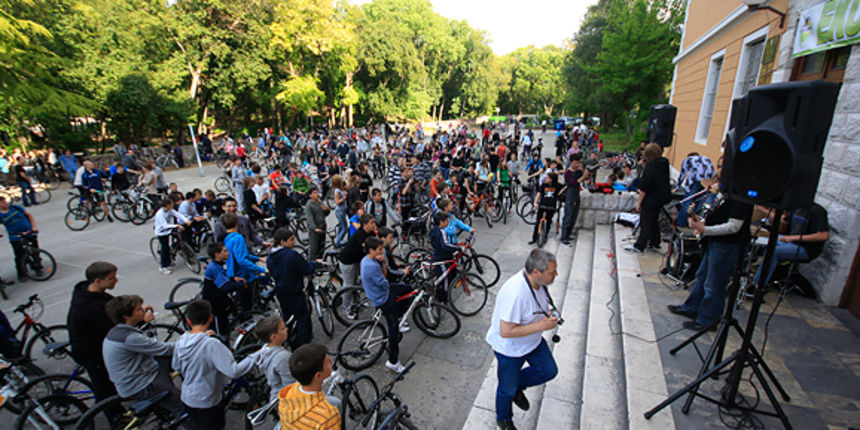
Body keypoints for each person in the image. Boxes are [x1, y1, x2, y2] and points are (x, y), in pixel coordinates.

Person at [486, 249, 560, 430]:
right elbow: (506, 331)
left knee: (548, 370)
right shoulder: (516, 293)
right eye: (552, 272)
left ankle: (516, 385)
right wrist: (542, 326)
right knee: (506, 389)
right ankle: (503, 419)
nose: (556, 274)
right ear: (536, 272)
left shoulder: (537, 282)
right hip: (510, 349)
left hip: (532, 341)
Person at [668, 190, 752, 331]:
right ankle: (691, 308)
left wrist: (705, 229)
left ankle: (708, 320)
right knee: (702, 276)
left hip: (727, 245)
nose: (719, 172)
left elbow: (734, 226)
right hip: (714, 242)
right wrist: (701, 224)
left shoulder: (740, 196)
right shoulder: (723, 193)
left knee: (714, 283)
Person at [173, 300, 259, 430]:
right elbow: (233, 371)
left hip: (187, 397)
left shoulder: (181, 341)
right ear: (211, 318)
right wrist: (255, 356)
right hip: (207, 400)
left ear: (188, 321)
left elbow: (176, 366)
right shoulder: (211, 345)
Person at [102, 295, 187, 421]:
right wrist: (193, 342)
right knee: (184, 409)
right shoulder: (130, 338)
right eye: (138, 309)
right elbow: (164, 349)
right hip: (142, 384)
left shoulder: (117, 331)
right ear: (126, 316)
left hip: (131, 378)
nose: (143, 310)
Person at [67, 262, 120, 405]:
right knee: (104, 387)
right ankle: (114, 415)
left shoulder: (93, 294)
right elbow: (113, 328)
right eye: (111, 278)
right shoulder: (91, 306)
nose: (116, 280)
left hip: (97, 347)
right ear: (98, 281)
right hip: (92, 353)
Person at [361, 236, 413, 373]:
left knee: (408, 289)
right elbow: (384, 281)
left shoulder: (368, 259)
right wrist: (384, 266)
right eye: (379, 250)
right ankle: (393, 361)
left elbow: (384, 278)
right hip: (381, 297)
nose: (381, 252)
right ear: (371, 250)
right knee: (393, 329)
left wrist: (383, 263)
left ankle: (400, 315)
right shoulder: (371, 266)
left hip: (383, 289)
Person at [753, 204, 830, 286]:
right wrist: (762, 209)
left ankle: (757, 285)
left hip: (806, 248)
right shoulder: (797, 207)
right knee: (761, 239)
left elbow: (823, 235)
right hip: (791, 241)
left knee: (773, 251)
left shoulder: (818, 211)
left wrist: (792, 238)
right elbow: (783, 219)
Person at [268, 228, 319, 348]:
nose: (294, 242)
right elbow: (306, 269)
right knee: (303, 318)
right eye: (291, 240)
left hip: (281, 291)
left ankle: (291, 339)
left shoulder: (271, 255)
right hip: (294, 291)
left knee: (288, 318)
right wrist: (316, 263)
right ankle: (304, 345)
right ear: (282, 242)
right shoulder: (291, 255)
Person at [278, 344, 341, 430]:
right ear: (318, 375)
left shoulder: (288, 393)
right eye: (327, 362)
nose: (331, 361)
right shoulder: (327, 416)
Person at [626, 143, 671, 253]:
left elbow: (643, 188)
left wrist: (638, 204)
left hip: (651, 199)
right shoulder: (664, 164)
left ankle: (639, 245)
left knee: (645, 222)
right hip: (661, 197)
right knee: (654, 220)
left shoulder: (649, 168)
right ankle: (655, 242)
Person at [202, 242, 248, 334]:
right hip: (215, 303)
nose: (228, 253)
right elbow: (225, 286)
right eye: (225, 251)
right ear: (217, 255)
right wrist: (241, 285)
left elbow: (224, 276)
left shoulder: (218, 264)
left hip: (220, 298)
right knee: (219, 328)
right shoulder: (214, 268)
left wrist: (233, 278)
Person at [338, 214, 377, 318]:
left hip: (356, 260)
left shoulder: (370, 232)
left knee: (355, 282)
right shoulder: (360, 234)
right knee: (349, 285)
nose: (374, 225)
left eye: (374, 222)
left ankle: (356, 301)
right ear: (365, 225)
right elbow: (369, 247)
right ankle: (346, 308)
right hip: (347, 261)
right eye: (372, 223)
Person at [252, 315, 296, 402]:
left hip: (275, 394)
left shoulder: (265, 349)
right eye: (283, 329)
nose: (286, 329)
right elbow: (290, 384)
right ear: (273, 337)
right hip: (285, 400)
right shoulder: (282, 357)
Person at [222, 213, 267, 294]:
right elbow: (242, 260)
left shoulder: (227, 238)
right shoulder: (238, 238)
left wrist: (258, 258)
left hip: (233, 273)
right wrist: (261, 269)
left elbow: (238, 255)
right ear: (237, 223)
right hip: (243, 275)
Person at [0, 196, 39, 282]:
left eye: (5, 201)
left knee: (35, 251)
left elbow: (29, 216)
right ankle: (22, 273)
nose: (5, 203)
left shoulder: (15, 208)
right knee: (19, 255)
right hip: (15, 236)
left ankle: (37, 267)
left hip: (28, 232)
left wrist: (34, 227)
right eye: (2, 202)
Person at [153, 198, 191, 274]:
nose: (173, 205)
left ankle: (174, 251)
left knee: (180, 238)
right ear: (168, 205)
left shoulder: (170, 210)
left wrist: (186, 220)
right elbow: (164, 225)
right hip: (162, 232)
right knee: (165, 248)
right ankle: (163, 266)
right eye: (171, 203)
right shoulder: (160, 214)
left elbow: (178, 215)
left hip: (170, 229)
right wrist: (176, 225)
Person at [529, 172, 560, 245]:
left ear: (552, 179)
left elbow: (565, 187)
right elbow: (538, 194)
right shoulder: (543, 185)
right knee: (538, 222)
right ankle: (534, 238)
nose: (546, 178)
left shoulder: (557, 186)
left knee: (548, 221)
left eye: (547, 178)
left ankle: (545, 236)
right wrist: (535, 203)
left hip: (551, 206)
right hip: (542, 205)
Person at [560, 154, 583, 245]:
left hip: (577, 196)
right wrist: (582, 177)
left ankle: (568, 234)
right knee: (568, 217)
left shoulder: (579, 172)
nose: (577, 164)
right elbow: (573, 182)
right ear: (571, 162)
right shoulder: (568, 173)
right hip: (570, 196)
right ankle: (564, 236)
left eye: (578, 163)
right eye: (575, 162)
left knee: (574, 217)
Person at [304, 187, 329, 260]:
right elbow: (309, 218)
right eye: (314, 193)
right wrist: (314, 228)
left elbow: (325, 214)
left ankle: (319, 261)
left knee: (322, 246)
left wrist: (327, 210)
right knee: (314, 248)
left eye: (317, 192)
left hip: (322, 227)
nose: (316, 194)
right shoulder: (309, 205)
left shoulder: (320, 202)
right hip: (315, 229)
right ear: (310, 195)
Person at [331, 175, 349, 247]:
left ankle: (338, 241)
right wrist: (344, 198)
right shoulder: (337, 191)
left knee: (341, 227)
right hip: (340, 211)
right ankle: (337, 243)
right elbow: (337, 202)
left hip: (343, 211)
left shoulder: (340, 189)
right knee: (344, 228)